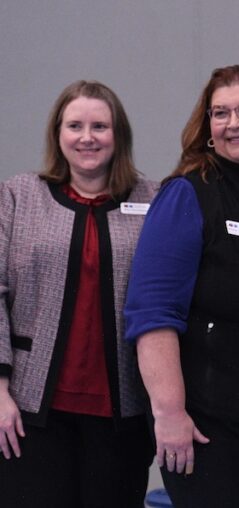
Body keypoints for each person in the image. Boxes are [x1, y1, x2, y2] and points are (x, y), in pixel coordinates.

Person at [125, 64, 239, 507]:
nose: (233, 123)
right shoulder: (188, 194)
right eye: (220, 113)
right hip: (207, 425)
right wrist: (169, 413)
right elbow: (153, 314)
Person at [0, 80, 156, 506]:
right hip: (30, 411)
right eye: (75, 126)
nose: (87, 137)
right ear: (57, 134)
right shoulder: (18, 196)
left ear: (118, 135)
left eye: (99, 126)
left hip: (123, 412)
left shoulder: (154, 198)